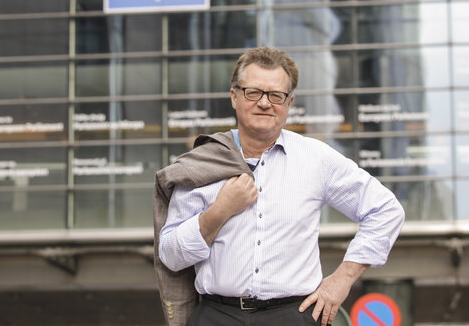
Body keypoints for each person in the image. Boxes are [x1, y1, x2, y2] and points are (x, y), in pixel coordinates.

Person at [153, 47, 405, 326]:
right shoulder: (201, 164)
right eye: (253, 92)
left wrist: (342, 280)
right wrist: (219, 211)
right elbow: (171, 256)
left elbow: (386, 210)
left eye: (276, 95)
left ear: (289, 102)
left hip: (294, 316)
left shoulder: (316, 159)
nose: (264, 103)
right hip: (216, 315)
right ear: (234, 96)